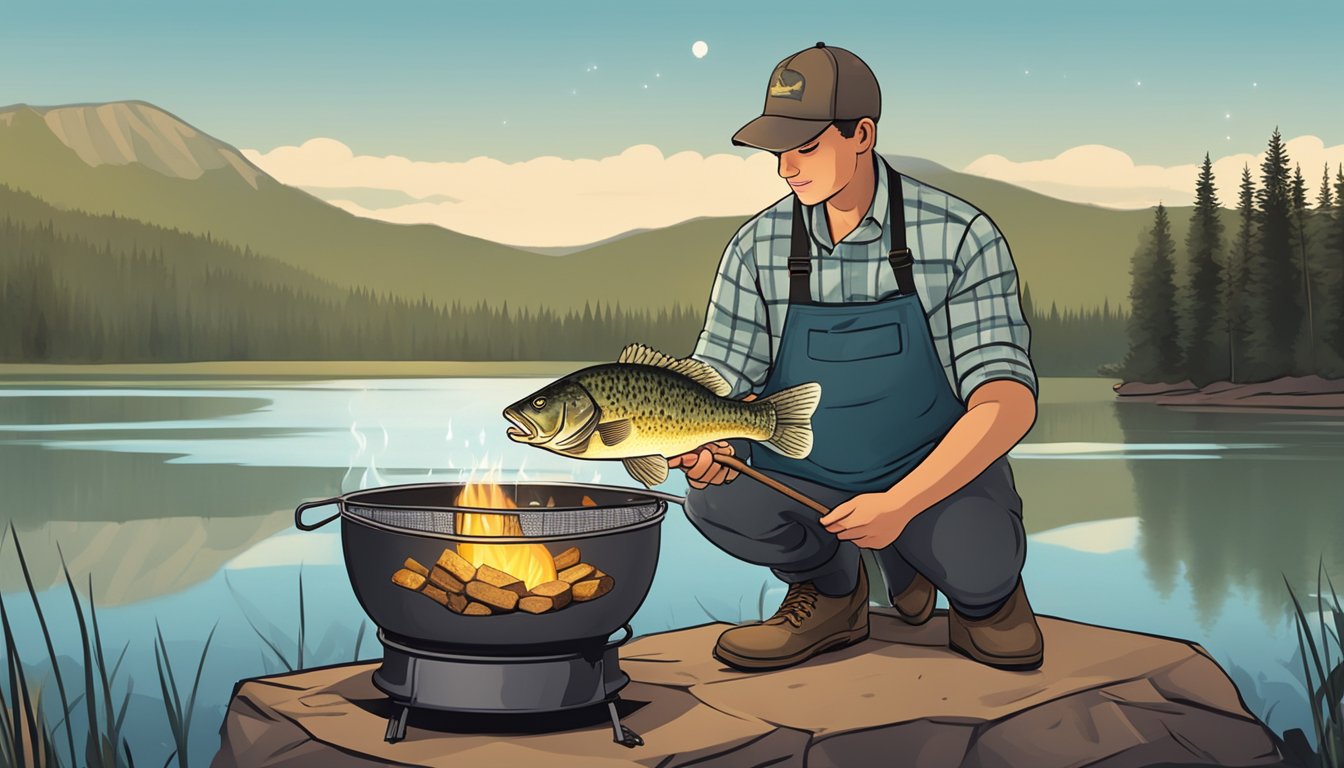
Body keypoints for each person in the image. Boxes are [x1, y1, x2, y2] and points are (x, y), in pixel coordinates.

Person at [671, 42, 1044, 672]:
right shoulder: (755, 247)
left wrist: (901, 505)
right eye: (779, 151)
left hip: (932, 475)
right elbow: (720, 381)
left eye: (806, 147)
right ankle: (831, 592)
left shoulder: (958, 235)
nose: (787, 169)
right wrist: (704, 441)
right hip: (809, 474)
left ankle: (986, 601)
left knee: (980, 564)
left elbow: (1007, 400)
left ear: (863, 134)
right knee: (716, 499)